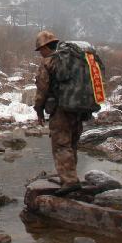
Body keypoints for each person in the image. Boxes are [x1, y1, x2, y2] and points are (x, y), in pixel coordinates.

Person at [33, 29, 85, 195]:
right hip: (78, 108)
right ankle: (71, 175)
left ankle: (69, 181)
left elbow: (42, 89)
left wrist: (38, 110)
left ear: (45, 47)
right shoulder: (74, 59)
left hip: (61, 109)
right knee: (72, 143)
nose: (40, 53)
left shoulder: (49, 62)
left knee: (61, 145)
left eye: (40, 50)